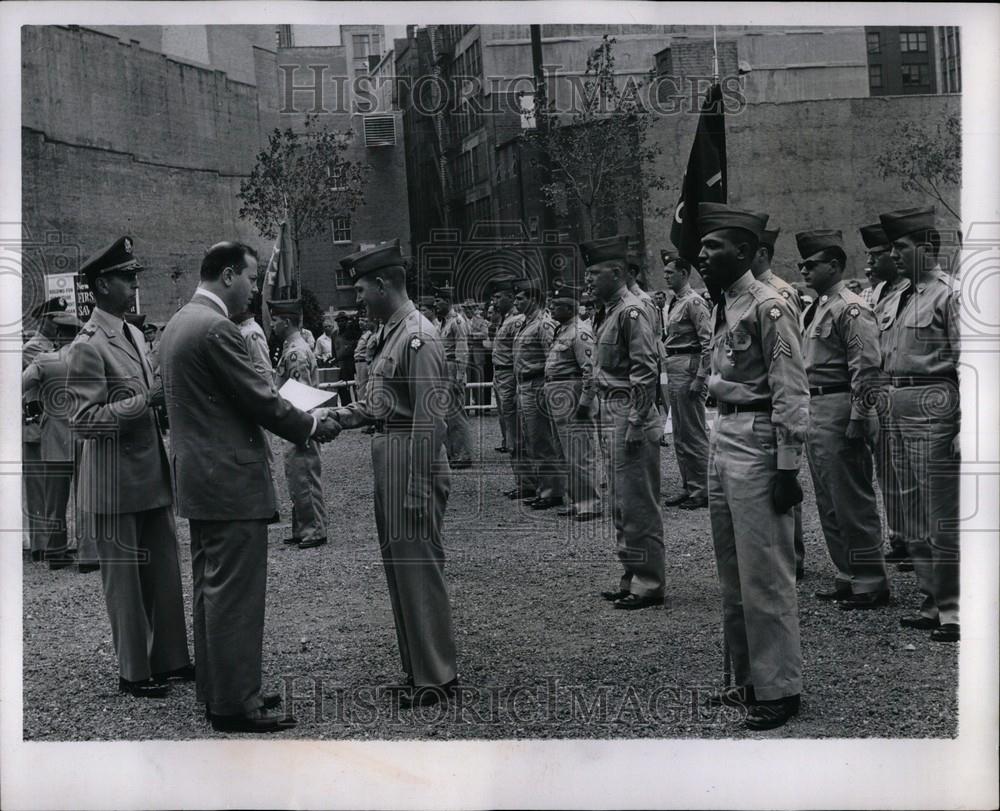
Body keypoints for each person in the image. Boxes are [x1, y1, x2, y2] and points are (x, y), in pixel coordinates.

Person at [159, 240, 341, 732]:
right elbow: (261, 400)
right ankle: (237, 704)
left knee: (209, 589)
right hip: (230, 481)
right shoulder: (217, 328)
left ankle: (219, 689)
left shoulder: (178, 323)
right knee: (235, 593)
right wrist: (310, 426)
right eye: (251, 278)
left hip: (201, 480)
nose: (255, 289)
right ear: (226, 275)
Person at [328, 239, 459, 709]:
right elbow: (381, 402)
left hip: (410, 454)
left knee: (419, 568)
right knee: (400, 568)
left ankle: (437, 675)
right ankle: (418, 667)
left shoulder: (418, 335)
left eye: (361, 288)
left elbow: (431, 419)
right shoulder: (392, 333)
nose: (358, 298)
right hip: (391, 449)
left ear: (383, 283)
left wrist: (420, 487)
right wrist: (337, 419)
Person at [696, 204, 808, 730]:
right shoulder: (724, 303)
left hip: (759, 439)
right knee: (733, 571)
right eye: (701, 245)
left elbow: (791, 389)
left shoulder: (769, 306)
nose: (701, 253)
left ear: (743, 251)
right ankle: (746, 678)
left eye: (713, 245)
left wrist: (788, 466)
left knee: (764, 571)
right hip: (727, 433)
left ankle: (780, 687)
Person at [66, 236, 193, 700]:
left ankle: (172, 659)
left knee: (163, 570)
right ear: (102, 285)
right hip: (113, 481)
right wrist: (144, 404)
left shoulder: (134, 334)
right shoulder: (88, 345)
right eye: (125, 276)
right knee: (124, 580)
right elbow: (83, 422)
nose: (133, 283)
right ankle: (134, 671)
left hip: (147, 472)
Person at [796, 229, 890, 609]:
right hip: (816, 406)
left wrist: (860, 415)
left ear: (834, 265)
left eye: (811, 264)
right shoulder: (816, 306)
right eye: (802, 263)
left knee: (852, 498)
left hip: (838, 405)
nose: (804, 269)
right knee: (828, 499)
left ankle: (871, 580)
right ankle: (847, 574)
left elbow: (865, 366)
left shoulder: (850, 307)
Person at [879, 206, 960, 643]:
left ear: (928, 248)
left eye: (901, 246)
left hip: (936, 400)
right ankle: (931, 600)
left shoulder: (951, 294)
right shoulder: (896, 296)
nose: (893, 254)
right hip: (897, 400)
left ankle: (955, 608)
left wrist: (969, 423)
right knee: (908, 509)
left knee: (940, 509)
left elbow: (971, 361)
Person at [582, 236, 665, 610]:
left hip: (629, 412)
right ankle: (632, 575)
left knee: (637, 503)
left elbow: (645, 370)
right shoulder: (608, 311)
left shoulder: (633, 311)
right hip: (609, 411)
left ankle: (649, 582)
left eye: (594, 273)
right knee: (620, 501)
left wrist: (635, 421)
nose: (588, 280)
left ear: (616, 272)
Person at [751, 226, 806, 580]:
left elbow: (790, 347)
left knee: (786, 480)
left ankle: (794, 556)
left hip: (780, 391)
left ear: (760, 253)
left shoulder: (779, 293)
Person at [21, 311, 96, 570]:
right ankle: (88, 554)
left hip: (55, 435)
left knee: (54, 498)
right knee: (86, 496)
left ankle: (56, 551)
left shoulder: (45, 359)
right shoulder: (91, 359)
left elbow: (20, 385)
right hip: (85, 433)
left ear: (59, 334)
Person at [860, 222, 912, 568]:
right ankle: (901, 536)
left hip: (908, 389)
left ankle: (925, 542)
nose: (871, 262)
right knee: (887, 469)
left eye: (877, 255)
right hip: (881, 391)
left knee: (914, 471)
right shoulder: (873, 294)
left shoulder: (912, 292)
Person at [270, 298, 329, 550]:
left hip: (299, 422)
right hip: (296, 422)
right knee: (296, 476)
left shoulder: (295, 352)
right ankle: (302, 527)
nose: (271, 324)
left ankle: (314, 529)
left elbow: (300, 394)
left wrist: (300, 427)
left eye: (274, 319)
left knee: (304, 475)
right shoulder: (293, 347)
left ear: (286, 321)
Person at [544, 284, 601, 522]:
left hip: (572, 391)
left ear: (569, 308)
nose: (552, 308)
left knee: (580, 452)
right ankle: (576, 500)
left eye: (557, 306)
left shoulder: (579, 332)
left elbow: (590, 372)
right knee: (565, 452)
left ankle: (590, 503)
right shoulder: (562, 330)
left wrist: (585, 403)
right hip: (558, 392)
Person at [661, 254, 712, 510]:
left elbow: (708, 343)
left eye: (670, 272)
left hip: (689, 366)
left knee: (693, 431)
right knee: (680, 432)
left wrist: (700, 378)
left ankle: (703, 489)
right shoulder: (676, 302)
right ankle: (689, 485)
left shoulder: (694, 302)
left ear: (683, 273)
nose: (666, 275)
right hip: (675, 365)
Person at [512, 278, 565, 510]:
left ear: (533, 300)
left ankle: (552, 491)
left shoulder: (543, 324)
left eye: (520, 298)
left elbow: (551, 358)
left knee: (542, 440)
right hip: (523, 385)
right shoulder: (525, 323)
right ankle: (543, 487)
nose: (516, 302)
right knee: (531, 440)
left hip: (537, 385)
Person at [22, 297, 66, 560]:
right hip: (35, 425)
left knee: (52, 487)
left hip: (52, 425)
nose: (59, 323)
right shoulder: (33, 349)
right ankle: (41, 544)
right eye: (54, 319)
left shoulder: (53, 347)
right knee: (38, 487)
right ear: (44, 321)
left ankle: (51, 541)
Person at [435, 287, 473, 469]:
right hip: (444, 369)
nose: (435, 305)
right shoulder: (443, 323)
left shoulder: (457, 322)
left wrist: (459, 376)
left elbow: (462, 350)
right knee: (447, 414)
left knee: (457, 414)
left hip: (452, 368)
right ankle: (453, 452)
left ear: (447, 302)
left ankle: (464, 454)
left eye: (438, 301)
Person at [492, 281, 525, 465]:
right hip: (499, 374)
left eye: (498, 297)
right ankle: (521, 479)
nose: (494, 302)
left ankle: (525, 480)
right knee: (506, 420)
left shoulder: (517, 320)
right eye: (494, 298)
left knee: (514, 424)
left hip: (509, 374)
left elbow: (518, 352)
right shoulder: (503, 319)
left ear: (510, 298)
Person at [467, 303, 490, 411]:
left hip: (477, 352)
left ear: (475, 309)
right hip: (466, 352)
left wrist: (472, 335)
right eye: (466, 308)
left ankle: (479, 408)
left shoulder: (481, 321)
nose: (468, 311)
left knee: (479, 379)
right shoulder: (461, 320)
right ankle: (466, 407)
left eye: (470, 308)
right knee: (466, 380)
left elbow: (485, 334)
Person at [354, 316, 373, 399]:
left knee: (363, 387)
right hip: (358, 362)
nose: (360, 322)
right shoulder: (364, 334)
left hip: (363, 362)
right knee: (359, 386)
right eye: (359, 320)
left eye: (363, 320)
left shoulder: (370, 334)